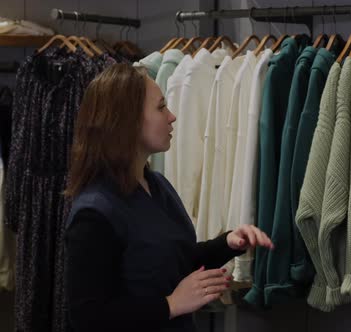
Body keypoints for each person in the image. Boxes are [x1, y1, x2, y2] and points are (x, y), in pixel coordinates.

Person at [64, 63, 274, 332]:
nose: (172, 116)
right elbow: (88, 317)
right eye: (161, 107)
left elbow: (172, 260)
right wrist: (171, 304)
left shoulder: (155, 185)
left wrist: (229, 243)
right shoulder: (94, 213)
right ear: (126, 121)